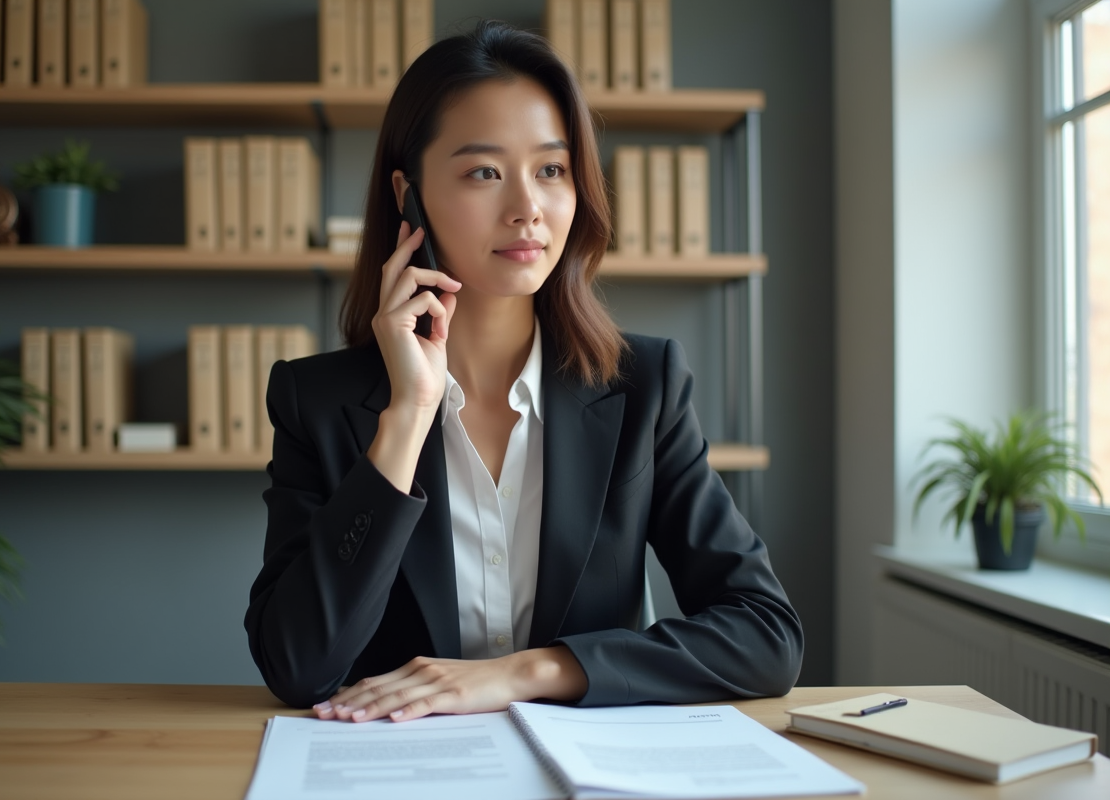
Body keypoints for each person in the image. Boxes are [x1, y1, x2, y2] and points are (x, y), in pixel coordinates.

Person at [244, 21, 802, 721]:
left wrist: (530, 671)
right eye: (484, 172)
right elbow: (297, 667)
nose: (526, 209)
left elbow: (767, 634)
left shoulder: (643, 386)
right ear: (407, 193)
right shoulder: (317, 402)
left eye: (551, 170)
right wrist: (408, 419)